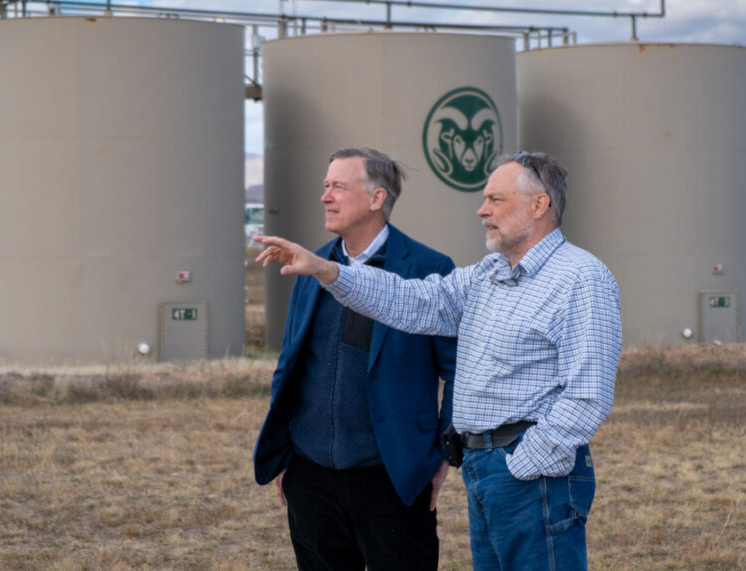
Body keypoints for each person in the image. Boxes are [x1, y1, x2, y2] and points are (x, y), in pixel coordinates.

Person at [256, 151, 622, 570]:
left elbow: (588, 394)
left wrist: (525, 462)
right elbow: (413, 300)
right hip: (486, 470)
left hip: (529, 474)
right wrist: (330, 271)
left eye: (495, 200)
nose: (481, 210)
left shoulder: (580, 278)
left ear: (539, 206)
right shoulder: (490, 274)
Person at [252, 147, 458, 571]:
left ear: (376, 199)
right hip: (310, 476)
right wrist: (285, 450)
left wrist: (443, 455)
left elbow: (459, 372)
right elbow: (290, 363)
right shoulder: (310, 265)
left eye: (338, 187)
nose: (325, 197)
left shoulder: (429, 268)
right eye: (325, 187)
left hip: (393, 477)